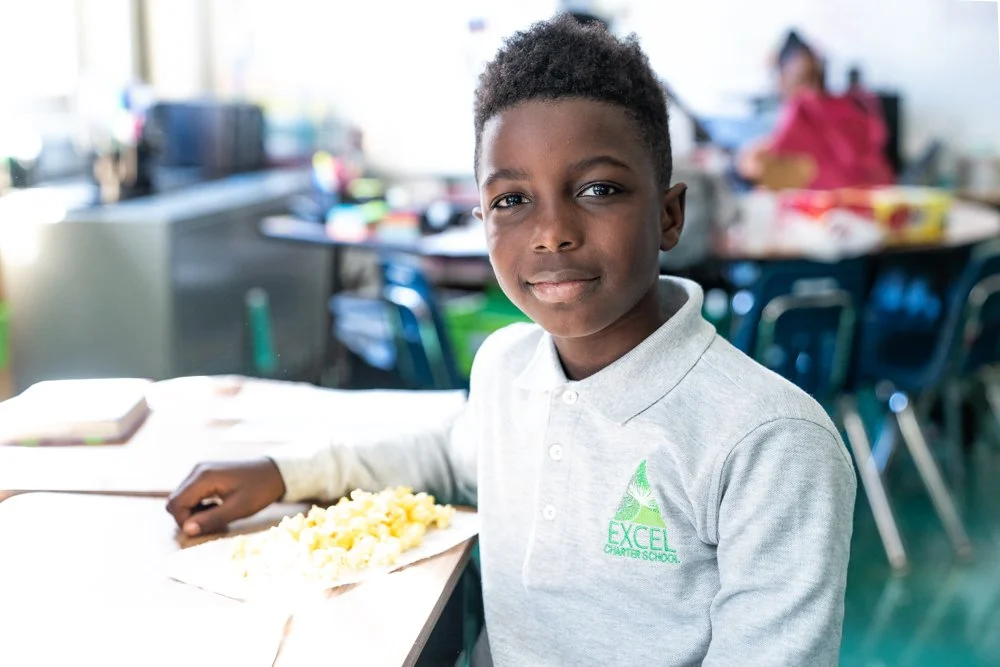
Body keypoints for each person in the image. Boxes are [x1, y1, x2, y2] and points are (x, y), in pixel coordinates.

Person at [167, 15, 857, 666]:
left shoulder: (770, 441)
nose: (551, 231)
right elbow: (446, 451)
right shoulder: (506, 367)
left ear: (669, 215)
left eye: (597, 189)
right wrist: (285, 473)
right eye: (511, 200)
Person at [738, 30, 895, 191]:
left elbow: (756, 167)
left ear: (784, 74)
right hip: (879, 198)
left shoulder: (801, 108)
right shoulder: (854, 105)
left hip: (834, 202)